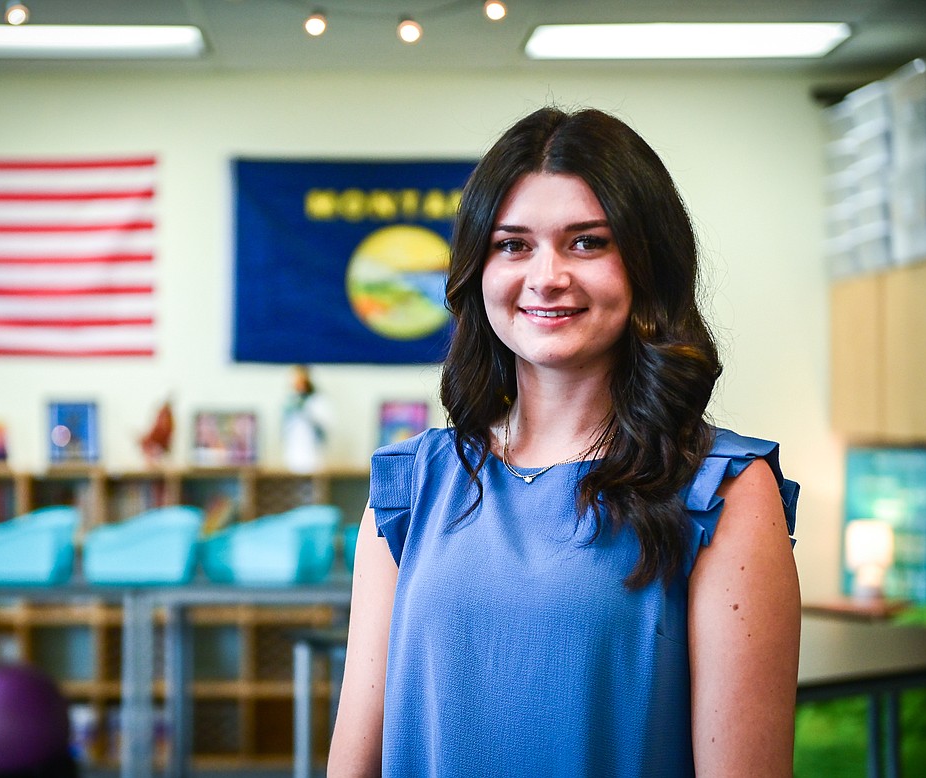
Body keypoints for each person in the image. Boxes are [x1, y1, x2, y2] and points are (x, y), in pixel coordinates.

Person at [327, 106, 801, 778]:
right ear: (477, 270)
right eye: (512, 244)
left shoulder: (720, 490)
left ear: (646, 264)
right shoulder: (410, 487)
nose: (546, 276)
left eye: (587, 242)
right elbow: (355, 765)